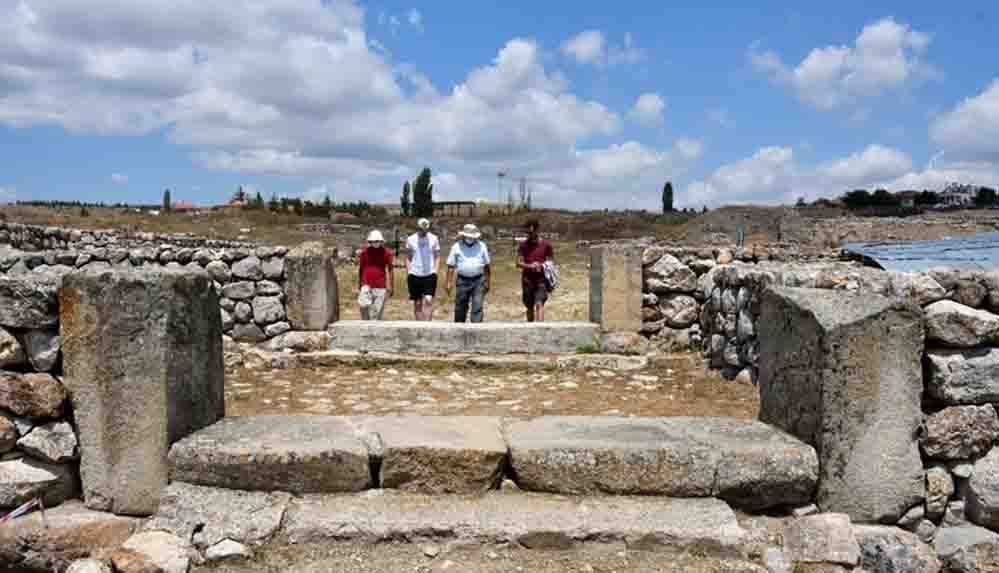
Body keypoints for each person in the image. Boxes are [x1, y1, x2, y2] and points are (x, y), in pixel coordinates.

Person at [445, 224, 491, 323]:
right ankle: (459, 329)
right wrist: (448, 282)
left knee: (477, 306)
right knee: (460, 306)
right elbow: (451, 266)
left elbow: (487, 266)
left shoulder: (482, 246)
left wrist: (487, 282)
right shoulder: (456, 246)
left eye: (472, 237)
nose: (470, 239)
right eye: (468, 237)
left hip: (478, 280)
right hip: (462, 280)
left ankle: (476, 330)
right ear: (464, 236)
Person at [516, 219, 554, 322]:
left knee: (539, 303)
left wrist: (541, 266)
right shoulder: (523, 245)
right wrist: (530, 266)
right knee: (529, 307)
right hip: (527, 280)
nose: (529, 234)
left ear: (537, 230)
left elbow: (550, 262)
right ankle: (530, 327)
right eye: (527, 232)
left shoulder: (546, 245)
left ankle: (540, 330)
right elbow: (518, 263)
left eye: (531, 232)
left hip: (541, 280)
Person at [405, 218, 440, 320]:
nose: (423, 231)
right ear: (418, 227)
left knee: (429, 300)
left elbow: (437, 255)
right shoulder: (411, 239)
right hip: (415, 274)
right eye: (421, 229)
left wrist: (436, 272)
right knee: (418, 302)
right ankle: (419, 326)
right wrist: (409, 272)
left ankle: (427, 325)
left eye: (425, 229)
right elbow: (408, 256)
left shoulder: (434, 238)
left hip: (430, 274)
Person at [357, 230, 393, 320]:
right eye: (373, 241)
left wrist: (391, 286)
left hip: (380, 285)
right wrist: (360, 284)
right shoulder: (364, 253)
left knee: (377, 312)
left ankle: (374, 329)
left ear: (381, 241)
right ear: (370, 242)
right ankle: (365, 324)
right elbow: (361, 269)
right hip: (366, 284)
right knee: (363, 305)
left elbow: (390, 269)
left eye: (377, 241)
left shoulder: (386, 253)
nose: (375, 243)